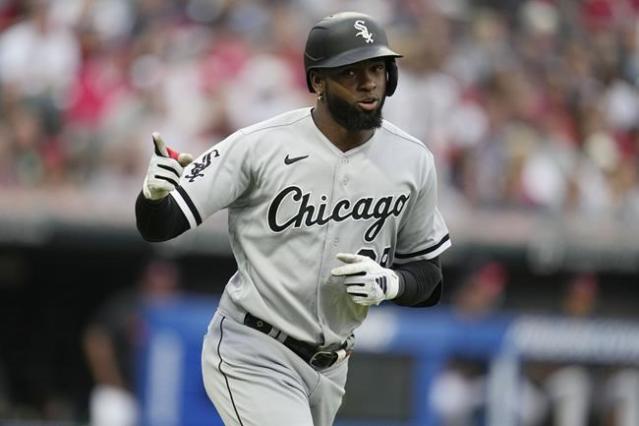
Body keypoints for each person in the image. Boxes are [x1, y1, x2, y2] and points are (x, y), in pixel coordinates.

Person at [135, 11, 451, 426]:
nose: (368, 81)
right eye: (351, 71)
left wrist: (392, 282)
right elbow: (161, 226)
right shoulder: (261, 145)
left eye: (377, 68)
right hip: (255, 347)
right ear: (318, 81)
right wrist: (153, 197)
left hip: (333, 367)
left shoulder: (412, 160)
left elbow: (429, 276)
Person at [83, 259, 181, 426]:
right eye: (156, 283)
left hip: (160, 397)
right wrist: (113, 381)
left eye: (167, 285)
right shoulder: (128, 306)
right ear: (144, 283)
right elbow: (95, 339)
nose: (161, 290)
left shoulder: (179, 314)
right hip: (119, 394)